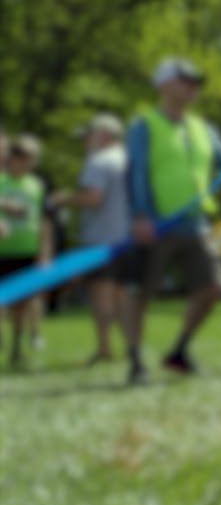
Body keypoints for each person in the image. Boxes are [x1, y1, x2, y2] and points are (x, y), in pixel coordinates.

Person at [121, 58, 221, 384]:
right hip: (156, 226)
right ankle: (135, 360)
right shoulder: (145, 126)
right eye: (183, 80)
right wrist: (140, 216)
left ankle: (178, 351)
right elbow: (135, 173)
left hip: (196, 225)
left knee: (214, 286)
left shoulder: (204, 130)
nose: (192, 87)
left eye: (194, 82)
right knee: (141, 292)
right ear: (164, 85)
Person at [57, 113, 131, 364]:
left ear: (105, 136)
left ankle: (104, 349)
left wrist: (63, 199)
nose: (85, 141)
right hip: (128, 239)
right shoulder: (131, 160)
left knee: (100, 294)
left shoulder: (98, 161)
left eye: (89, 135)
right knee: (121, 296)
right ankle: (132, 347)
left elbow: (93, 198)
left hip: (101, 240)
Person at [0, 135, 53, 369]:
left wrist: (44, 252)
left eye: (32, 160)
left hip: (27, 251)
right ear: (12, 158)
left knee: (22, 302)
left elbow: (43, 220)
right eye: (23, 159)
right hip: (2, 251)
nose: (27, 165)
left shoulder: (37, 185)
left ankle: (17, 347)